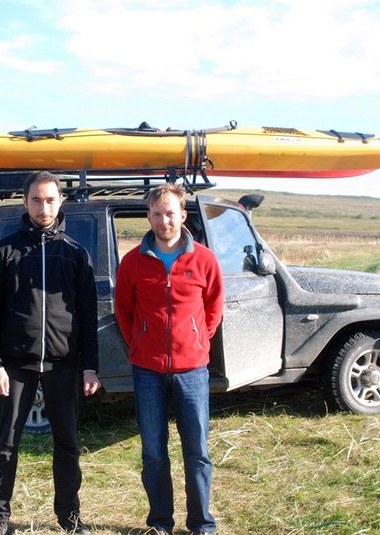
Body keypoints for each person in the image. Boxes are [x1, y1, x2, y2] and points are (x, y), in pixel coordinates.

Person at [0, 171, 101, 535]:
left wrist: (90, 367)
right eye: (36, 199)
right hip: (16, 364)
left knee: (67, 445)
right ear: (25, 202)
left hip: (64, 364)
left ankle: (69, 517)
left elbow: (88, 315)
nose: (43, 206)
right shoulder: (5, 251)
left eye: (50, 200)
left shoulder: (75, 254)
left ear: (61, 201)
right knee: (6, 445)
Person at [114, 183, 224, 535]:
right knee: (154, 453)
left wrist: (195, 339)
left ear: (183, 215)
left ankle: (201, 523)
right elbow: (124, 312)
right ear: (148, 216)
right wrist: (141, 343)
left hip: (192, 371)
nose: (164, 221)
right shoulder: (132, 262)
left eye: (170, 213)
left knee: (198, 452)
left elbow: (213, 308)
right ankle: (160, 523)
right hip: (147, 371)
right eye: (157, 214)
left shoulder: (204, 259)